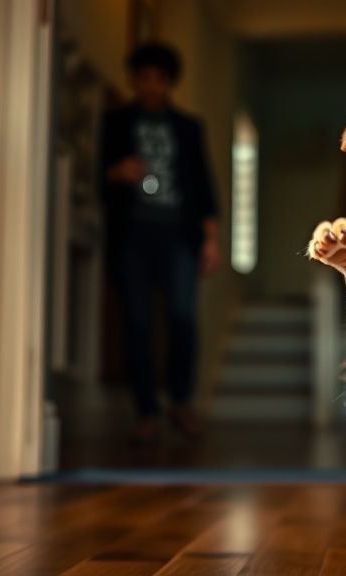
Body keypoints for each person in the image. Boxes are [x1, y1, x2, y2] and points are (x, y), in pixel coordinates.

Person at [99, 42, 220, 442]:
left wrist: (210, 239)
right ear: (134, 81)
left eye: (159, 80)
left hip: (179, 236)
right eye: (144, 79)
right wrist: (118, 172)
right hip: (132, 234)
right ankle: (146, 412)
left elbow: (204, 186)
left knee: (183, 318)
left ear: (169, 84)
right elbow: (98, 175)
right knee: (136, 323)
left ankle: (180, 402)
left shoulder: (188, 128)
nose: (151, 87)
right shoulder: (114, 122)